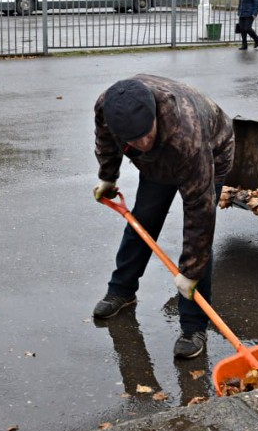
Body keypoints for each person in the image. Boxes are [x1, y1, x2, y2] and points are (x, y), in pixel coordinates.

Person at [91, 75, 235, 360]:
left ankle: (194, 327)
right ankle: (121, 290)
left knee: (197, 241)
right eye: (134, 139)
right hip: (158, 162)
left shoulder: (187, 137)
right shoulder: (108, 110)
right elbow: (106, 142)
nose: (143, 142)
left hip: (211, 150)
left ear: (155, 116)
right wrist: (108, 177)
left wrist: (190, 273)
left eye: (147, 133)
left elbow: (200, 215)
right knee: (143, 220)